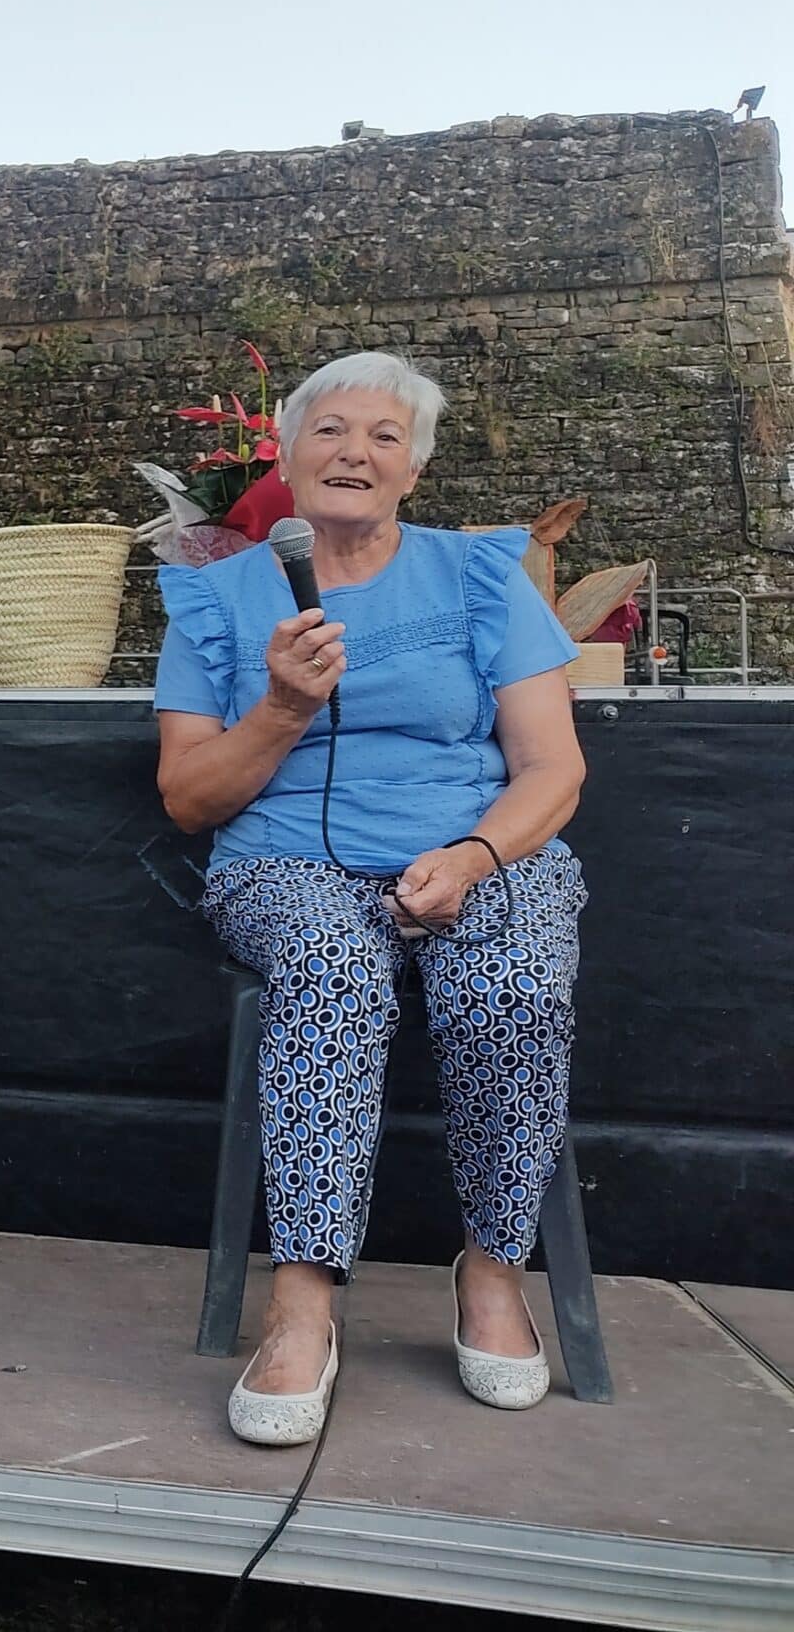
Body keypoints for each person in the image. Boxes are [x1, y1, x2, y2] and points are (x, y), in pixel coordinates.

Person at [153, 351, 588, 1446]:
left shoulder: (481, 575)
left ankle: (492, 1268)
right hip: (284, 861)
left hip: (480, 848)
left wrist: (475, 857)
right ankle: (301, 1303)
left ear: (413, 470)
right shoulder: (216, 596)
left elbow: (552, 769)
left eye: (383, 437)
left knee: (519, 984)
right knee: (331, 974)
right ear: (289, 458)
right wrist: (281, 711)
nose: (354, 452)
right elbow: (187, 801)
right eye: (330, 431)